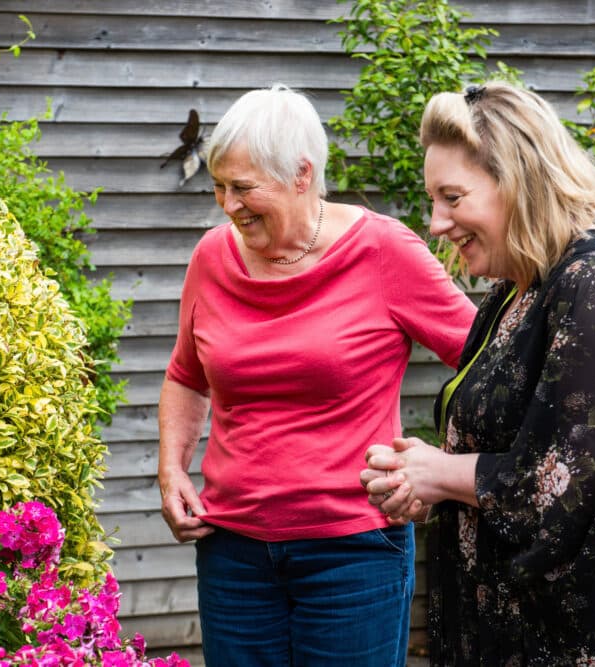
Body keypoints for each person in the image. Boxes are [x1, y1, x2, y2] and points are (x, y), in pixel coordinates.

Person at [360, 81, 595, 665]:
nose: (436, 223)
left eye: (453, 198)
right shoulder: (516, 293)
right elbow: (519, 444)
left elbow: (574, 490)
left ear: (517, 181)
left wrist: (443, 473)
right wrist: (424, 475)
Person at [157, 84, 477, 667]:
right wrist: (171, 467)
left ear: (302, 176)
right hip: (233, 552)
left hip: (354, 552)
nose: (228, 205)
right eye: (220, 186)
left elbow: (489, 365)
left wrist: (442, 468)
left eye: (245, 187)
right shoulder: (210, 257)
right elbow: (186, 375)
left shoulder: (384, 252)